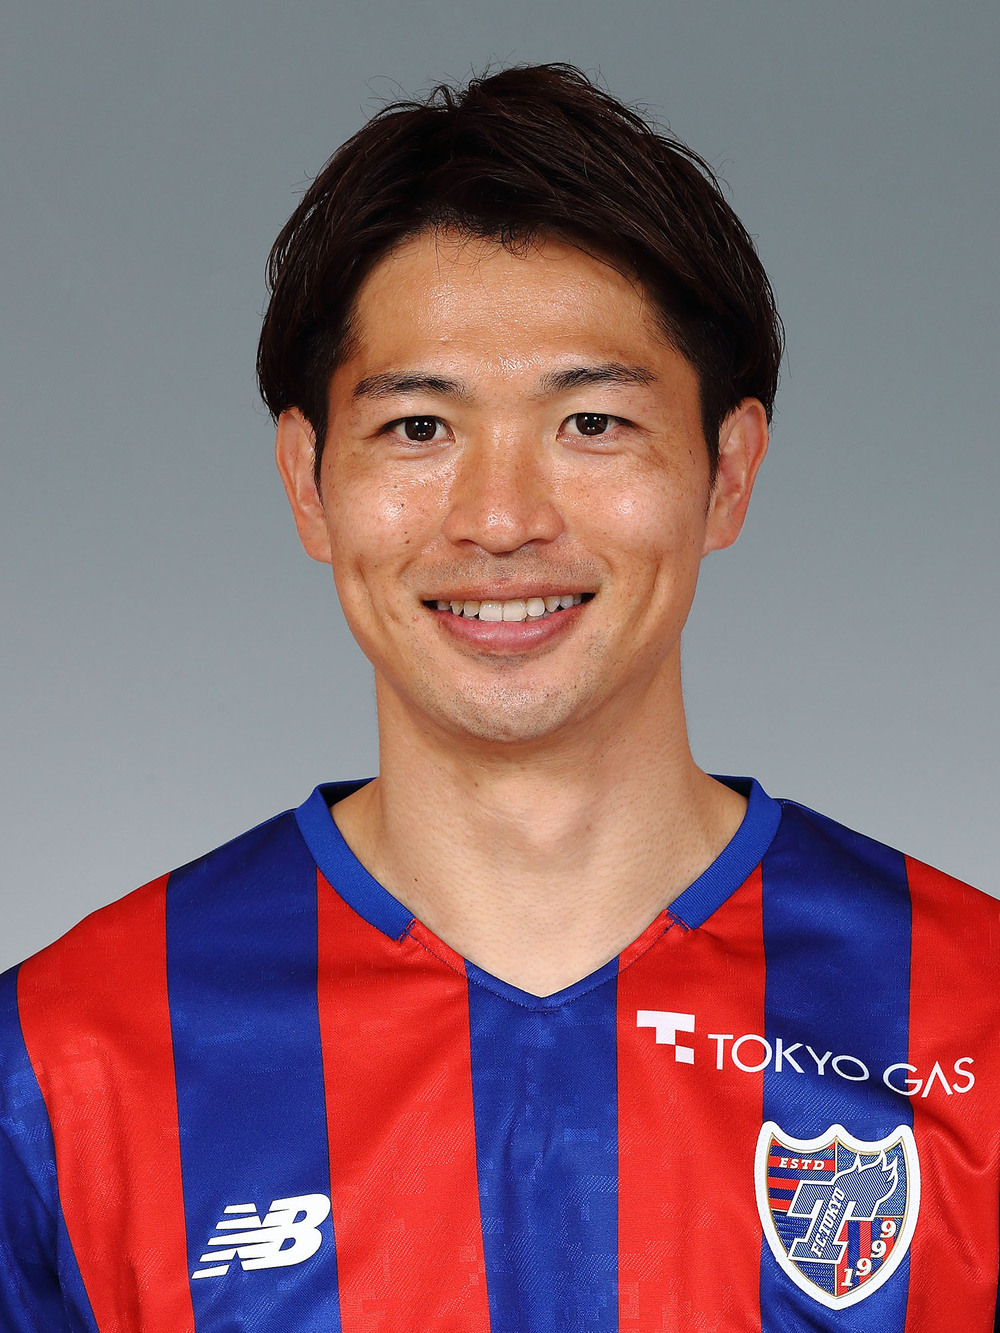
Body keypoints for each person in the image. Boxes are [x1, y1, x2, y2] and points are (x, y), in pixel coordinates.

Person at [0, 63, 996, 1333]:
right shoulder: (68, 1057)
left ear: (727, 471)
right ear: (308, 482)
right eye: (419, 428)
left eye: (592, 422)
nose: (502, 519)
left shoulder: (972, 1016)